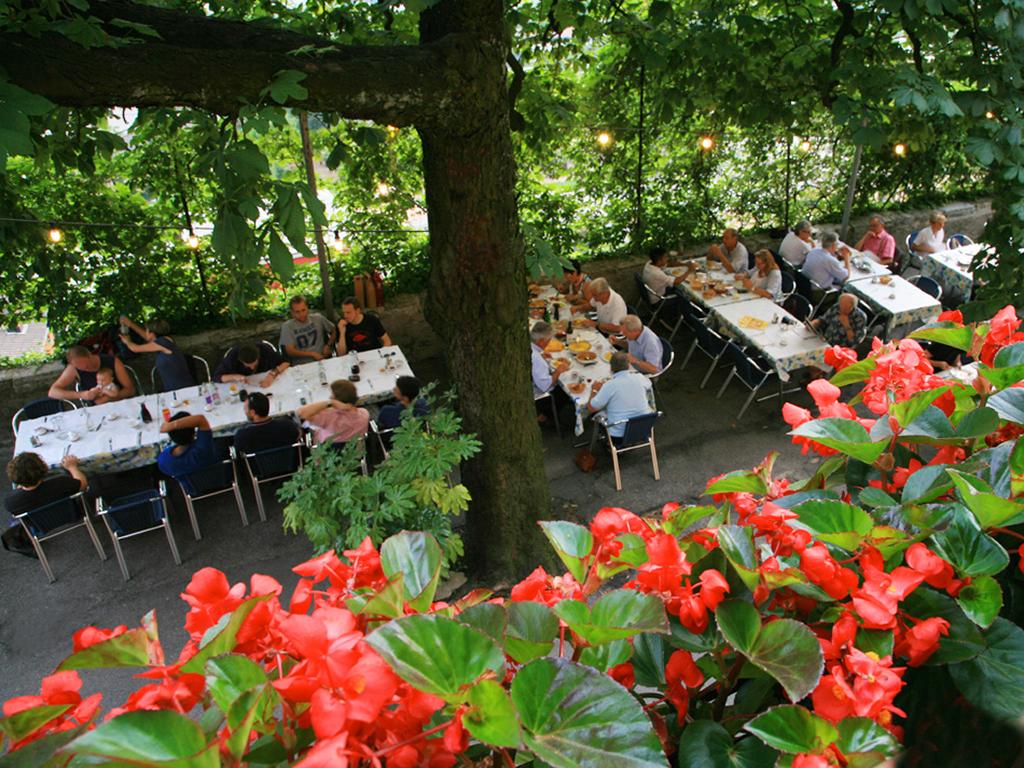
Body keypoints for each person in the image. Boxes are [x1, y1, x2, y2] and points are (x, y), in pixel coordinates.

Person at [4, 453, 88, 557]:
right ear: (44, 468)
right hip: (74, 514)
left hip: (39, 525)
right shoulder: (61, 482)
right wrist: (72, 467)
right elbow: (83, 485)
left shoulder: (11, 501)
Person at [586, 352, 654, 442]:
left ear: (611, 368)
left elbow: (591, 408)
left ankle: (604, 441)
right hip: (644, 428)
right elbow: (649, 384)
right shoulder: (640, 378)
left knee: (595, 412)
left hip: (619, 435)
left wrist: (594, 390)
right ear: (628, 365)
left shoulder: (609, 385)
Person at [119, 316, 196, 391]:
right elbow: (147, 337)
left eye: (146, 330)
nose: (145, 332)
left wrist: (127, 341)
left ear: (152, 333)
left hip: (183, 388)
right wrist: (130, 324)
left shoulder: (163, 342)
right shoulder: (163, 341)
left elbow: (135, 348)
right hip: (174, 388)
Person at [48, 346, 136, 404]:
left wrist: (109, 397)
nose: (85, 369)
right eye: (80, 368)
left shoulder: (112, 361)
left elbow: (130, 390)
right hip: (98, 410)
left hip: (122, 402)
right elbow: (53, 392)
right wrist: (82, 395)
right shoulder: (73, 369)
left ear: (90, 355)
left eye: (87, 366)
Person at [157, 413, 219, 489]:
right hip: (219, 478)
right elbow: (200, 419)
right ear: (193, 432)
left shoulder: (164, 460)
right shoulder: (204, 447)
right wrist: (171, 425)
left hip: (193, 488)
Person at [298, 379, 370, 446]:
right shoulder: (364, 414)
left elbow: (302, 413)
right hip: (354, 455)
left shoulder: (328, 417)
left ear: (336, 401)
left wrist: (330, 403)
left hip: (327, 454)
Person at [233, 392, 301, 455]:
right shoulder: (286, 425)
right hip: (291, 465)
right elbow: (298, 435)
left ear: (252, 412)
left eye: (245, 409)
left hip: (257, 467)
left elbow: (238, 451)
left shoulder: (242, 435)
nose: (245, 412)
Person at [280, 295, 336, 364]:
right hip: (302, 365)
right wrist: (312, 354)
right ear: (292, 312)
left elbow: (334, 330)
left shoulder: (318, 318)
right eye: (297, 312)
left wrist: (328, 345)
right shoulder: (287, 326)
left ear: (308, 308)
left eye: (303, 310)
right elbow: (290, 351)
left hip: (322, 359)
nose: (301, 314)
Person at [214, 342, 289, 387]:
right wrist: (235, 376)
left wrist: (272, 374)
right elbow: (217, 377)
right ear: (241, 361)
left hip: (269, 384)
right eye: (248, 366)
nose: (252, 368)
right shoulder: (232, 357)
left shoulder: (264, 349)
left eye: (255, 365)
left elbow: (286, 362)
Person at [530, 321, 571, 398]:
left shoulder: (530, 347)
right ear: (541, 341)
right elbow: (546, 386)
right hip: (542, 395)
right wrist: (558, 371)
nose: (549, 343)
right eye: (548, 340)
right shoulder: (537, 359)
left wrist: (540, 355)